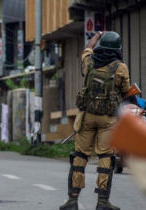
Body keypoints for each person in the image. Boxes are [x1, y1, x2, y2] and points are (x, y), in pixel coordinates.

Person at [60, 31, 129, 210]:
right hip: (108, 119)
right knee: (106, 156)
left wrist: (97, 34)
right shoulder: (121, 67)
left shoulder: (89, 62)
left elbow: (88, 47)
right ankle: (103, 202)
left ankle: (72, 200)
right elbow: (126, 91)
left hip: (87, 117)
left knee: (80, 155)